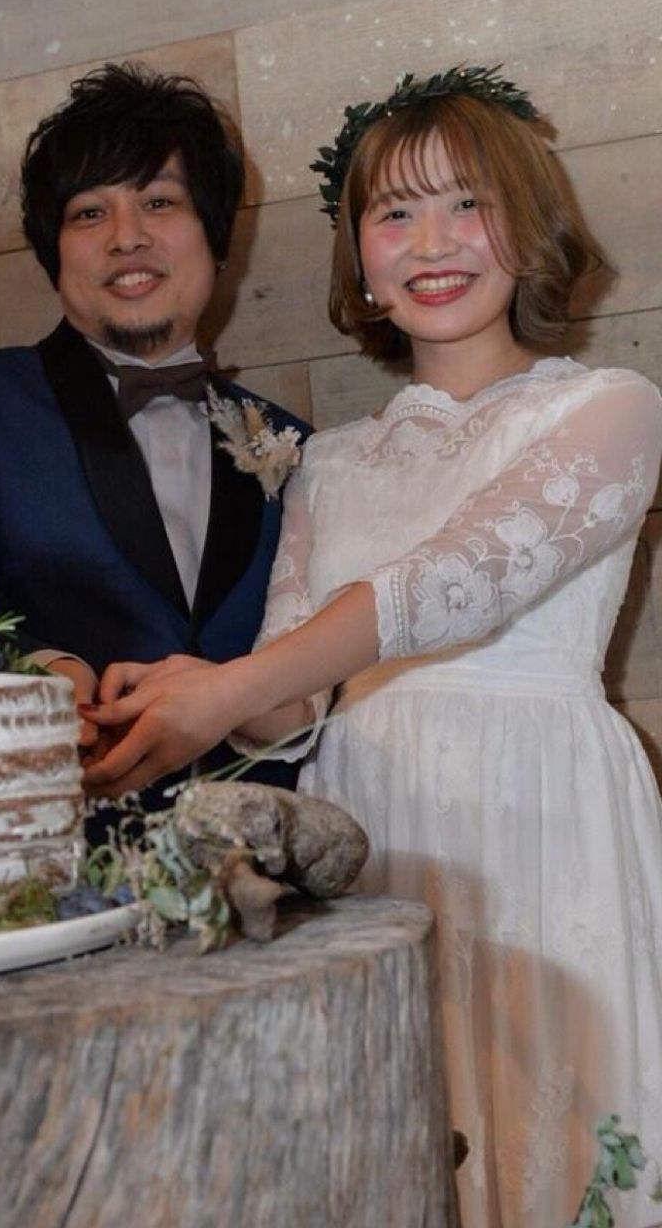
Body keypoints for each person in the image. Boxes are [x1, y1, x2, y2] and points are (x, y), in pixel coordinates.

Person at [82, 65, 662, 1226]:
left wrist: (234, 685)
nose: (430, 242)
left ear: (528, 223)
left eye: (466, 203)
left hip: (538, 818)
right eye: (393, 212)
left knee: (549, 1150)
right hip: (367, 831)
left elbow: (456, 583)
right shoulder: (329, 461)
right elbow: (292, 701)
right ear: (357, 257)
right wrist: (194, 686)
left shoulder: (608, 405)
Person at [0, 63, 309, 834]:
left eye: (160, 202)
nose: (127, 237)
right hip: (54, 849)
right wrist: (45, 669)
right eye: (89, 213)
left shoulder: (293, 445)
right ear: (53, 251)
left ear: (218, 238)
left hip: (263, 857)